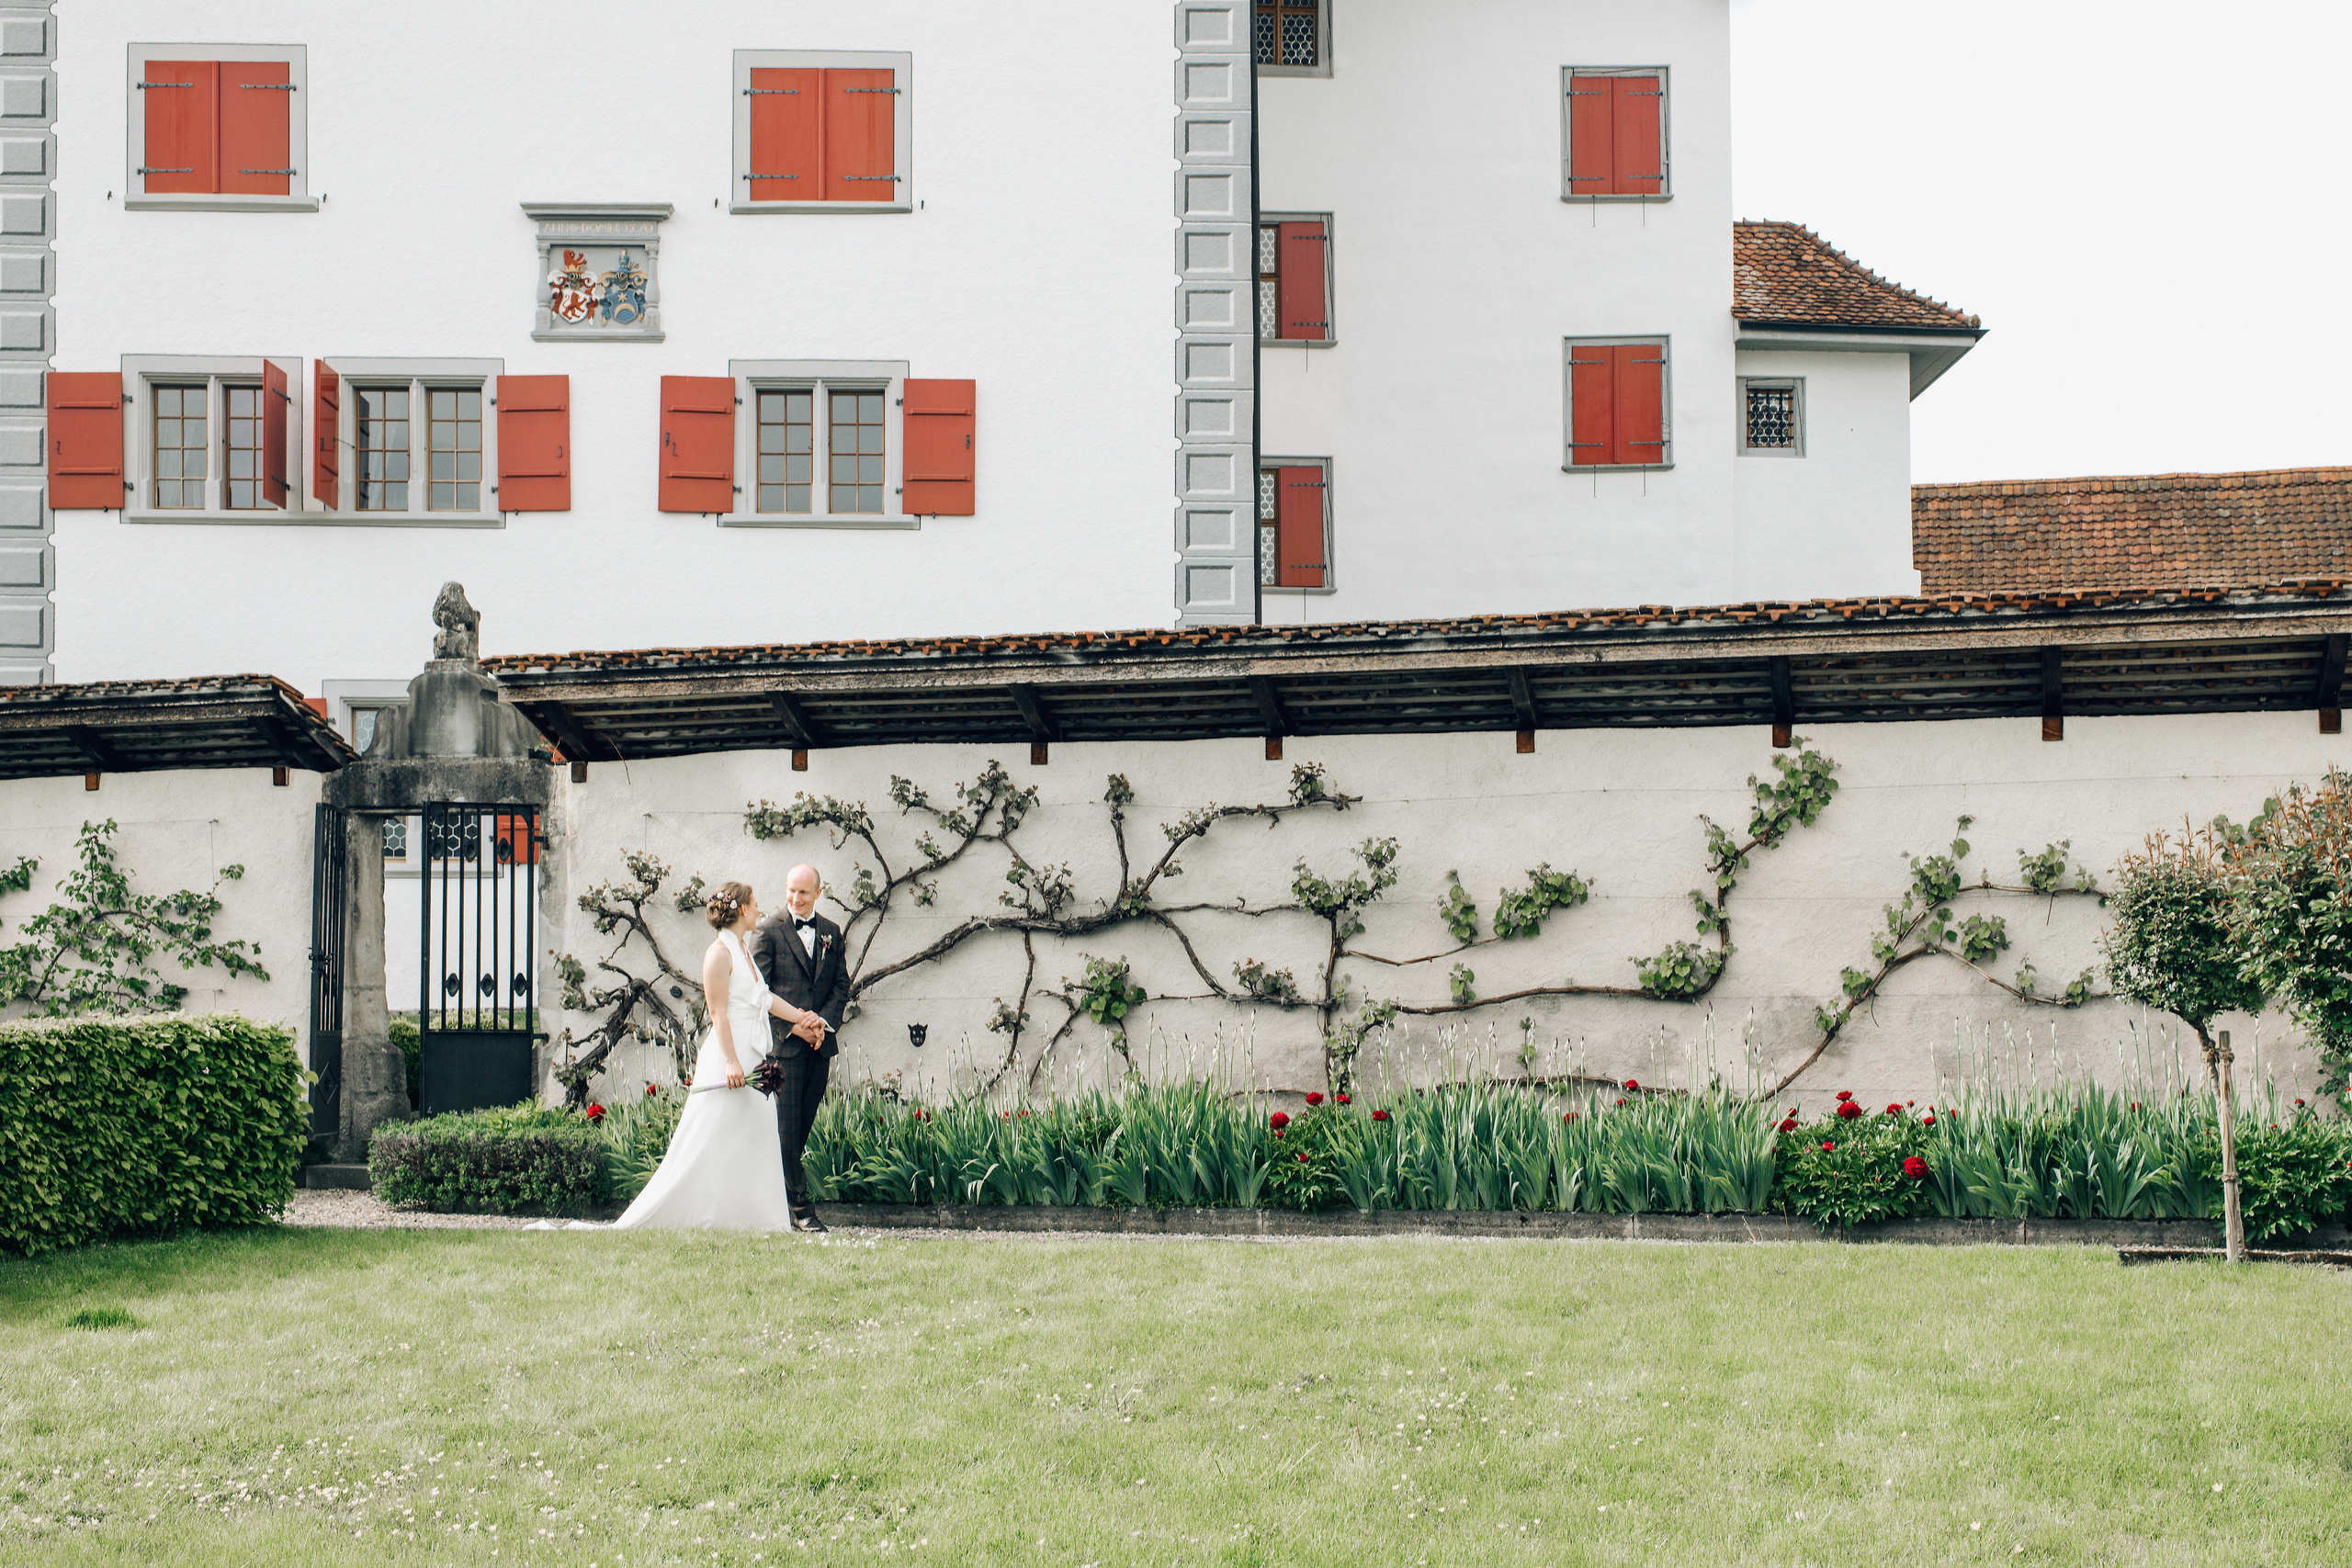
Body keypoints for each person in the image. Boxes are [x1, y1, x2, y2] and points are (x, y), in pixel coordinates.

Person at [612, 882, 815, 1231]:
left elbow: (764, 999)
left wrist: (804, 1019)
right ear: (742, 909)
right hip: (729, 1057)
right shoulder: (718, 954)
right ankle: (699, 1214)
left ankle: (754, 1219)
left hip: (752, 1057)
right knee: (711, 1135)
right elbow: (718, 1013)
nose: (758, 910)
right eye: (755, 904)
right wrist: (733, 1062)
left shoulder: (743, 950)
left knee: (750, 1138)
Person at [749, 863, 849, 1233]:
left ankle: (773, 1198)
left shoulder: (832, 933)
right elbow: (759, 994)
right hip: (783, 1051)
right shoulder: (767, 931)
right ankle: (800, 1209)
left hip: (819, 1048)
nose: (795, 898)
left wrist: (820, 1023)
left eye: (803, 892)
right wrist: (795, 1027)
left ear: (818, 893)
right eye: (791, 890)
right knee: (786, 1131)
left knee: (800, 1130)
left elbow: (841, 985)